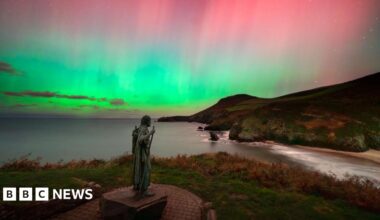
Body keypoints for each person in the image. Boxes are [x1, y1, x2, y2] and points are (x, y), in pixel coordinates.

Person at [132, 115, 155, 197]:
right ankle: (144, 190)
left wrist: (135, 134)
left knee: (140, 169)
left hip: (139, 152)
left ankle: (137, 186)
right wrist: (150, 133)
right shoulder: (144, 129)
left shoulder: (140, 128)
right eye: (149, 120)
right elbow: (140, 140)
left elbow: (136, 135)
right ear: (147, 121)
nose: (150, 122)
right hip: (143, 154)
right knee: (146, 169)